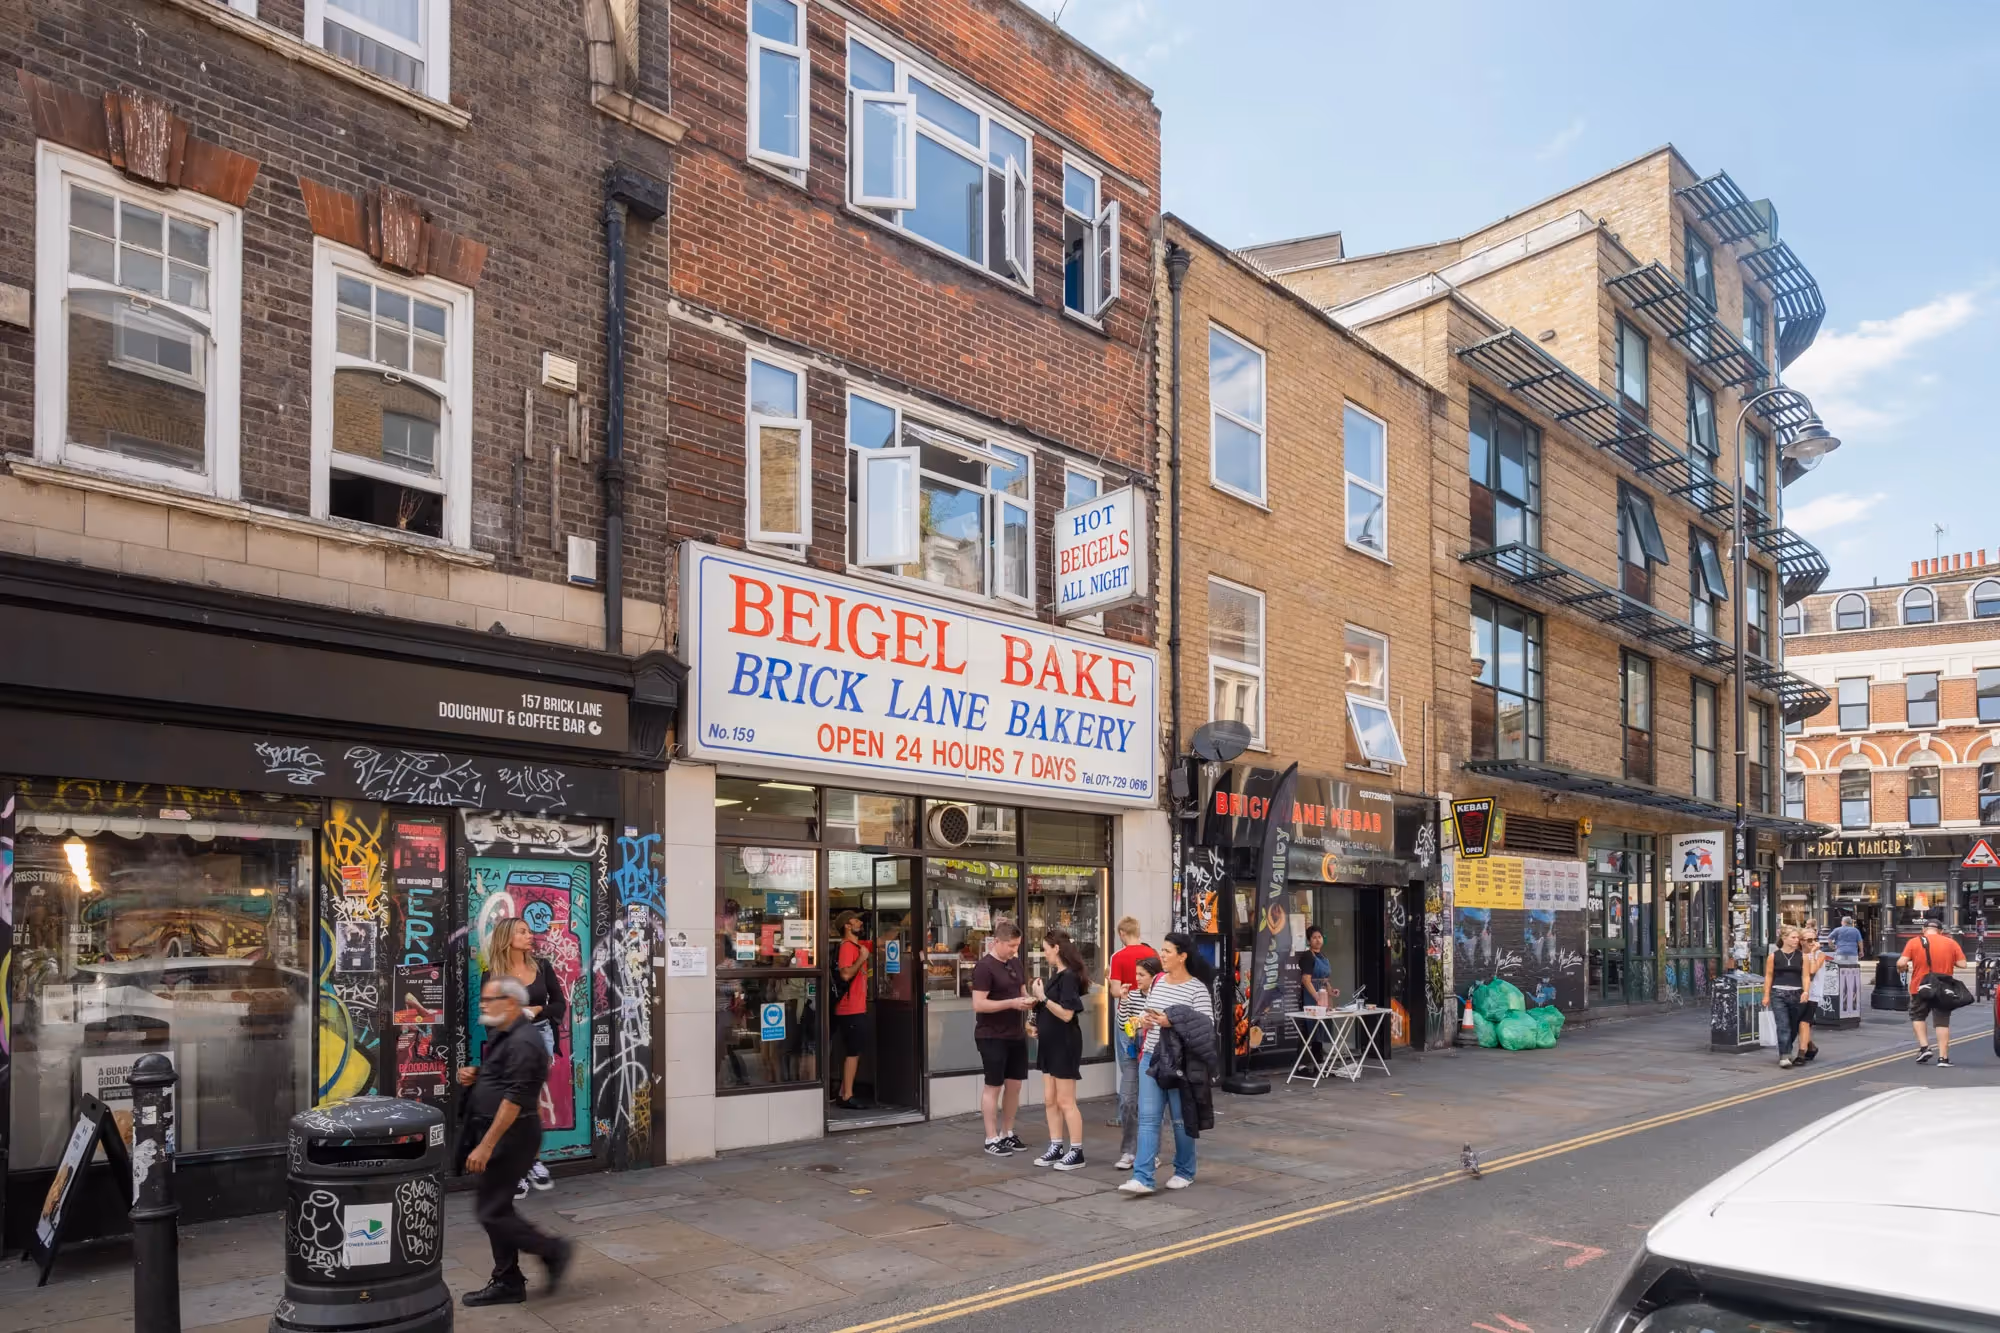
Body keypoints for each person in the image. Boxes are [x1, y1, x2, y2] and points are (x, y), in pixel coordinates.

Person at [456, 976, 572, 1306]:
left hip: (512, 1135)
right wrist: (478, 1075)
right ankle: (509, 1278)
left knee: (492, 1211)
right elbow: (504, 1079)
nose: (483, 1005)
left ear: (510, 1003)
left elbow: (515, 1099)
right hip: (503, 1132)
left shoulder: (524, 1041)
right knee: (497, 1209)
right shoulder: (506, 1034)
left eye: (489, 1000)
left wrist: (486, 1146)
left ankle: (550, 1252)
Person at [1120, 932, 1218, 1196]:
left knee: (1180, 1120)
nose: (1161, 955)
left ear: (1182, 956)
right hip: (1152, 1058)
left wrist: (1171, 1021)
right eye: (1161, 950)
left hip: (1180, 1062)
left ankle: (1185, 1171)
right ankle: (1142, 1177)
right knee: (1148, 1118)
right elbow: (1149, 1011)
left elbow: (1206, 1027)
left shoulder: (1197, 988)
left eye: (1167, 951)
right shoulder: (1158, 981)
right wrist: (1145, 1020)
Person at [481, 917, 566, 1196]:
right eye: (522, 931)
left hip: (540, 1036)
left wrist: (538, 1010)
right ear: (507, 938)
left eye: (529, 931)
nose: (530, 935)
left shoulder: (542, 967)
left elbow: (559, 1005)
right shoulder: (492, 975)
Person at [1029, 928, 1092, 1171]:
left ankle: (1076, 1150)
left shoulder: (1068, 977)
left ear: (1056, 948)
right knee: (1050, 1099)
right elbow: (1047, 1009)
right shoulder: (1057, 975)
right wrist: (1034, 1019)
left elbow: (1067, 1014)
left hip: (1064, 1042)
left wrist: (1043, 998)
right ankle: (1056, 1146)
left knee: (1065, 1100)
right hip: (1049, 1042)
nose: (1044, 954)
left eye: (1046, 949)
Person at [971, 921, 1035, 1155]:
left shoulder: (1015, 962)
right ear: (996, 941)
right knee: (994, 1085)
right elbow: (978, 1004)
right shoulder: (984, 967)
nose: (1014, 950)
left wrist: (1030, 1000)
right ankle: (991, 1138)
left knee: (1014, 1085)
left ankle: (1007, 1132)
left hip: (1015, 1033)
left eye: (1017, 945)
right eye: (1011, 945)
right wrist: (1012, 1003)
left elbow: (1021, 991)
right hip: (991, 1034)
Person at [1105, 918, 1158, 1132]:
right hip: (1150, 1017)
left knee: (1128, 1068)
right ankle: (1148, 1111)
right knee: (1147, 1066)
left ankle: (1125, 1115)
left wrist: (1111, 980)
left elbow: (1116, 991)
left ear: (1121, 933)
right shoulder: (1153, 953)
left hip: (1127, 1017)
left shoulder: (1118, 956)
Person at [1113, 955, 1161, 1171]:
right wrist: (1123, 1001)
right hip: (1134, 1053)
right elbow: (1123, 1025)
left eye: (1141, 975)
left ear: (1153, 976)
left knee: (1150, 1105)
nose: (1136, 978)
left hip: (1153, 1054)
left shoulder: (1160, 996)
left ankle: (1151, 1152)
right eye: (1136, 974)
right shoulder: (1132, 995)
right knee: (1127, 1100)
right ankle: (1129, 1151)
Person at [1900, 916, 1968, 1067]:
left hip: (1920, 987)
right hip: (1943, 988)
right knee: (1942, 1022)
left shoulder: (1914, 942)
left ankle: (1925, 1047)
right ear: (1941, 931)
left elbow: (1901, 962)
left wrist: (1901, 968)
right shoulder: (1951, 942)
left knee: (1918, 1016)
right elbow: (1963, 964)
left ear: (1923, 930)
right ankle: (1943, 1058)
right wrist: (1948, 960)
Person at [831, 912, 872, 1108]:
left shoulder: (857, 946)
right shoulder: (847, 947)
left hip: (856, 1007)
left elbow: (881, 941)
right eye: (855, 920)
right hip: (850, 1008)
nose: (860, 922)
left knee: (855, 1050)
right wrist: (862, 958)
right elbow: (846, 974)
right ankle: (847, 1095)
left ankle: (843, 1092)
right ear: (847, 926)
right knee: (853, 1051)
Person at [1762, 925, 1810, 1070]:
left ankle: (1787, 1050)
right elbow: (1769, 976)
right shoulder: (1773, 956)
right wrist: (1766, 995)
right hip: (1778, 993)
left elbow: (1805, 976)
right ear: (1784, 938)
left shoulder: (1803, 956)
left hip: (1797, 994)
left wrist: (1806, 991)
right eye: (1793, 937)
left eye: (1797, 938)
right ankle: (1784, 1055)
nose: (1796, 940)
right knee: (1783, 1025)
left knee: (1794, 1026)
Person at [1794, 923, 1825, 1064]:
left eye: (1815, 939)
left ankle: (1801, 1053)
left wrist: (1812, 953)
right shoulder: (1796, 954)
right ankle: (1811, 1046)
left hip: (1812, 993)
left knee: (1804, 1021)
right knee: (1797, 1023)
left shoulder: (1820, 954)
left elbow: (1812, 970)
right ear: (1801, 941)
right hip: (1796, 991)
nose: (1813, 942)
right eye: (1809, 940)